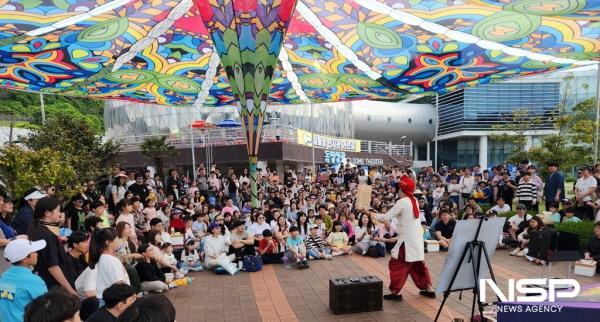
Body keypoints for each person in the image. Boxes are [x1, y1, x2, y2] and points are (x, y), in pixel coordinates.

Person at [374, 175, 436, 302]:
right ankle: (429, 289)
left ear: (402, 190)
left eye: (399, 189)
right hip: (415, 239)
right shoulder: (414, 200)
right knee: (419, 264)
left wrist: (370, 213)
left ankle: (395, 292)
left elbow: (386, 217)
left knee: (397, 265)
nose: (398, 191)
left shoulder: (402, 201)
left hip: (406, 241)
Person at [29, 197, 78, 295]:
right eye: (58, 211)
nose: (60, 214)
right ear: (47, 213)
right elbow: (53, 267)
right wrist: (70, 290)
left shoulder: (36, 229)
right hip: (55, 287)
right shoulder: (47, 235)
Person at [0, 239, 48, 322]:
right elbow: (47, 309)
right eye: (34, 251)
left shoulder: (4, 276)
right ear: (25, 259)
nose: (37, 254)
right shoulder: (34, 281)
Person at [89, 228, 130, 300]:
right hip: (115, 301)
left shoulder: (104, 257)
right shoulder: (110, 260)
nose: (119, 240)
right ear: (108, 242)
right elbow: (120, 284)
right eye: (117, 238)